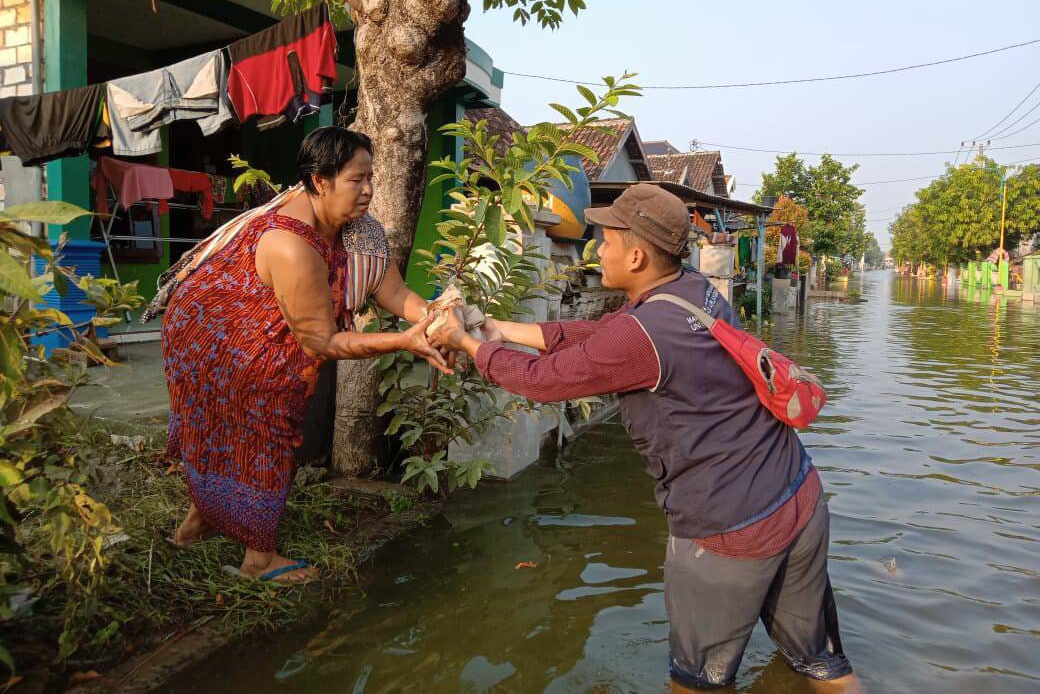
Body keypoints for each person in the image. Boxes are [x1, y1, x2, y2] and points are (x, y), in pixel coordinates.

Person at [430, 184, 862, 692]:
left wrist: (465, 343)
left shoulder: (644, 332)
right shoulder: (691, 290)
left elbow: (542, 382)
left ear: (635, 256)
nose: (597, 250)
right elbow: (595, 338)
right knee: (821, 664)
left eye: (606, 240)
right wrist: (500, 329)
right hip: (797, 494)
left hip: (730, 526)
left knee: (696, 683)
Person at [162, 127, 450, 584]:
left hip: (259, 328)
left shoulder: (360, 229)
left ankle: (197, 524)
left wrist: (434, 315)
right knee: (263, 435)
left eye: (370, 177)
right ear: (320, 181)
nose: (369, 190)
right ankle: (259, 560)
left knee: (237, 430)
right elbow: (322, 341)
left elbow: (391, 289)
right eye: (357, 180)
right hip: (215, 338)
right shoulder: (291, 244)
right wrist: (404, 340)